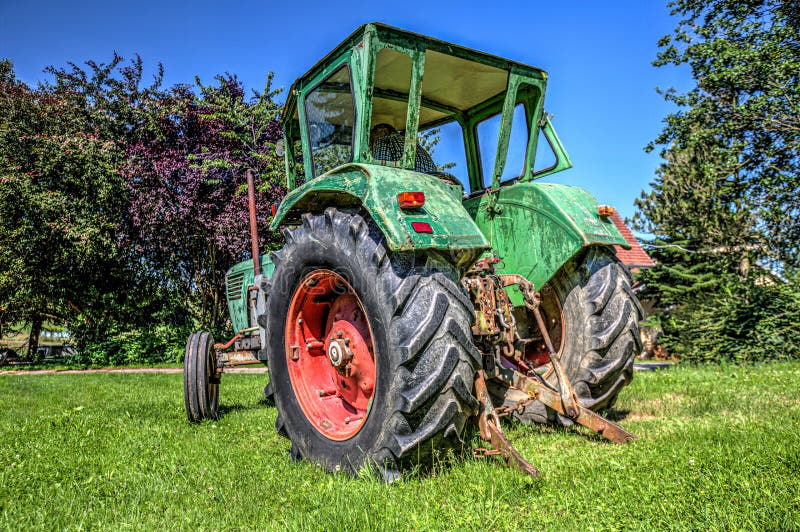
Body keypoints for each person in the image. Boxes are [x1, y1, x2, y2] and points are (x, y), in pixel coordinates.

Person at [369, 123, 437, 173]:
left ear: (383, 131)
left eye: (371, 139)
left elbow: (380, 170)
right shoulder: (415, 146)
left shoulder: (383, 140)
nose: (370, 145)